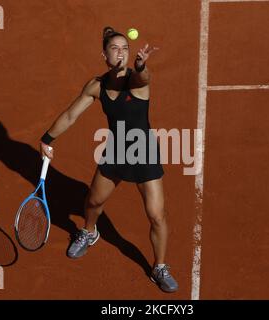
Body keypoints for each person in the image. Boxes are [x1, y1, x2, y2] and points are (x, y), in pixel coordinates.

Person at [39, 27, 178, 293]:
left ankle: (159, 267)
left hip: (143, 152)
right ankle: (89, 232)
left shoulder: (137, 82)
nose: (121, 53)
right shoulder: (96, 86)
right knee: (92, 201)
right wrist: (47, 139)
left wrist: (140, 64)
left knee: (157, 216)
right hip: (116, 151)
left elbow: (143, 75)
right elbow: (70, 116)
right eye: (115, 48)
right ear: (104, 54)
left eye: (125, 48)